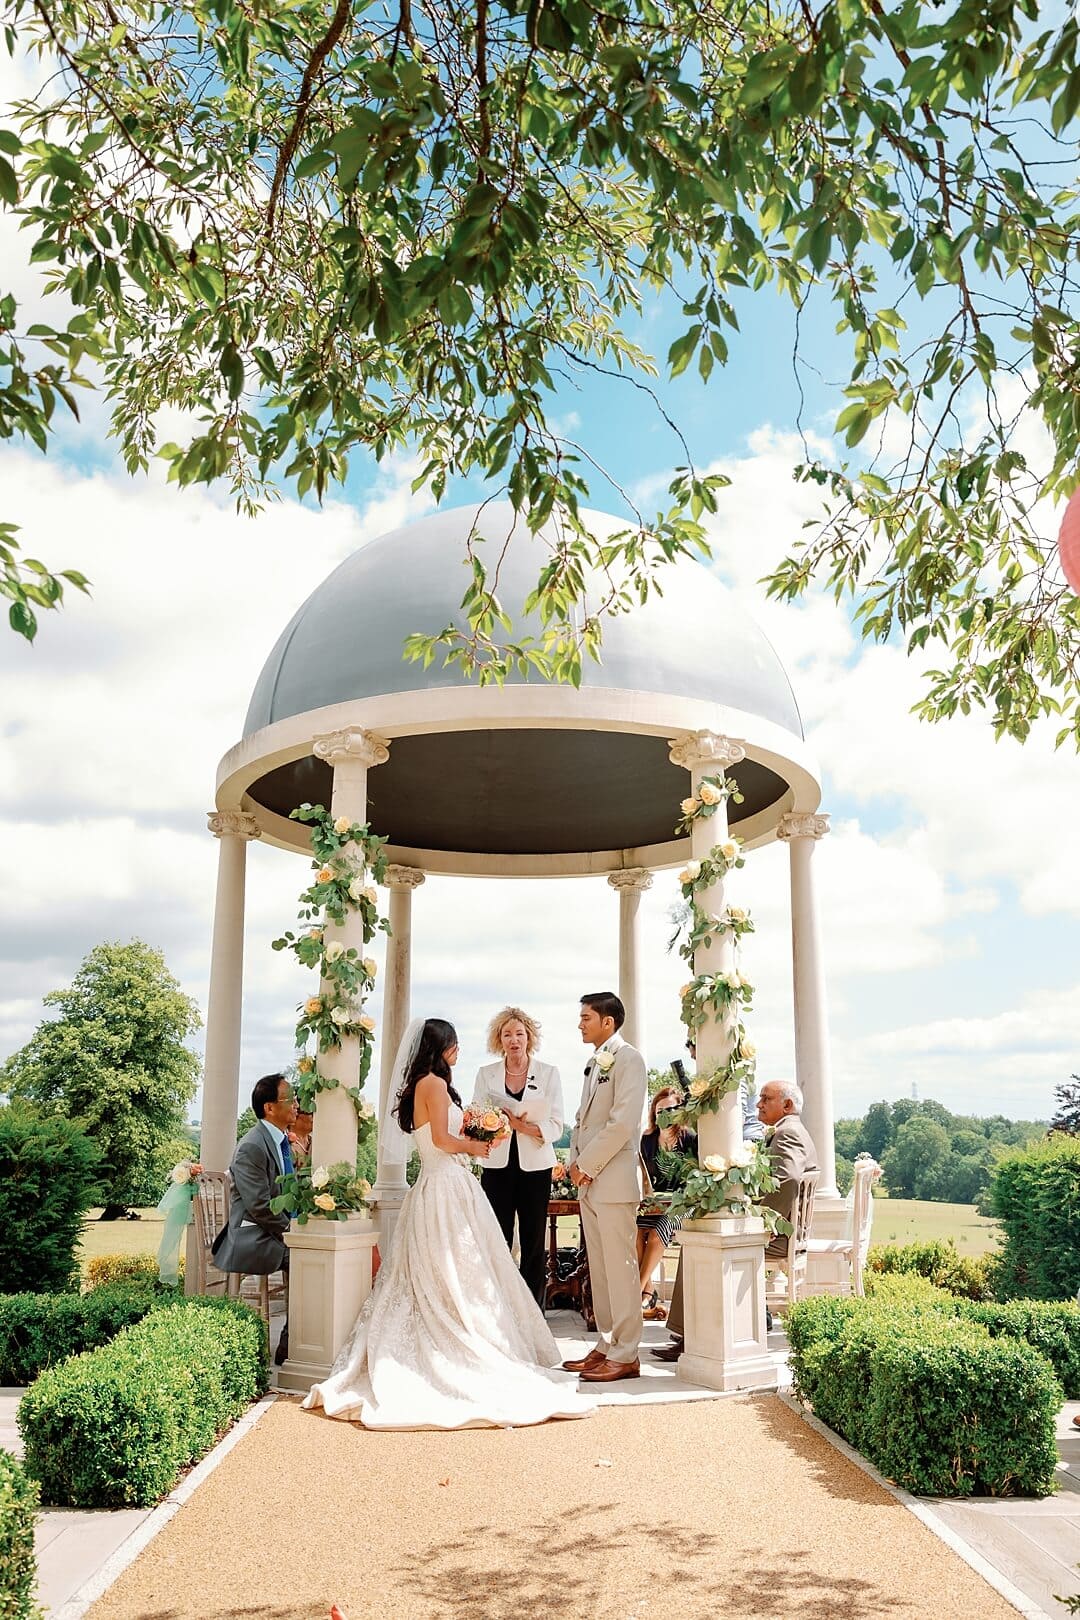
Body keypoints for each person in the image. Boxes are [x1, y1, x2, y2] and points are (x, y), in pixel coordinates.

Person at [302, 1017, 594, 1430]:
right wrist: (477, 1145)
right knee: (462, 1267)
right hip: (445, 1183)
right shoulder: (434, 1085)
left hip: (444, 1183)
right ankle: (465, 1333)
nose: (458, 1050)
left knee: (459, 1267)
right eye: (454, 1044)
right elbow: (440, 1139)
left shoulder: (426, 1083)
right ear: (440, 1046)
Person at [652, 1078, 818, 1361]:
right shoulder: (790, 1131)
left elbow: (787, 1179)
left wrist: (767, 1224)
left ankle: (690, 1337)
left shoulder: (788, 1133)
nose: (758, 1103)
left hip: (779, 1237)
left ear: (787, 1105)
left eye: (766, 1099)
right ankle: (693, 1333)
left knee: (698, 1245)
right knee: (704, 1240)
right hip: (783, 1231)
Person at [562, 991, 649, 1384]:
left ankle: (627, 1353)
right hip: (590, 1183)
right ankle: (607, 1344)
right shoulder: (594, 1061)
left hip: (612, 1181)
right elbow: (584, 1121)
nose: (580, 1023)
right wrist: (572, 1161)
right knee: (601, 1270)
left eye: (586, 1017)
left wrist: (586, 1164)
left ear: (607, 1022)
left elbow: (622, 1123)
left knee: (622, 1270)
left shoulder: (629, 1059)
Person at [472, 1005, 564, 1308]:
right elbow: (474, 1119)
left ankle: (534, 1313)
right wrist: (494, 1125)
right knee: (497, 1240)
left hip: (536, 1168)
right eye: (507, 1034)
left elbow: (555, 1125)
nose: (514, 1040)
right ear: (499, 1039)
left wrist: (521, 1126)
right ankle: (498, 1310)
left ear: (529, 1037)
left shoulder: (549, 1074)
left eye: (520, 1034)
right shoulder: (486, 1075)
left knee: (533, 1242)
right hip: (497, 1166)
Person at [211, 1073, 296, 1365]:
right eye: (290, 1099)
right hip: (250, 1235)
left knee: (314, 1253)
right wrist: (293, 1233)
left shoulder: (281, 1141)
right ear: (270, 1108)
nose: (297, 1104)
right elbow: (260, 1206)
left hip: (271, 1231)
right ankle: (294, 1340)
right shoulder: (252, 1147)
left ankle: (298, 1335)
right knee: (305, 1258)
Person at [637, 1086, 697, 1318]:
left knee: (656, 1234)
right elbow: (646, 1179)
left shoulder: (689, 1138)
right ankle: (648, 1291)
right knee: (634, 1230)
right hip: (658, 1201)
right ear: (654, 1111)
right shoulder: (647, 1139)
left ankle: (636, 1294)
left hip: (684, 1203)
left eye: (671, 1109)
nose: (666, 1113)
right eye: (661, 1109)